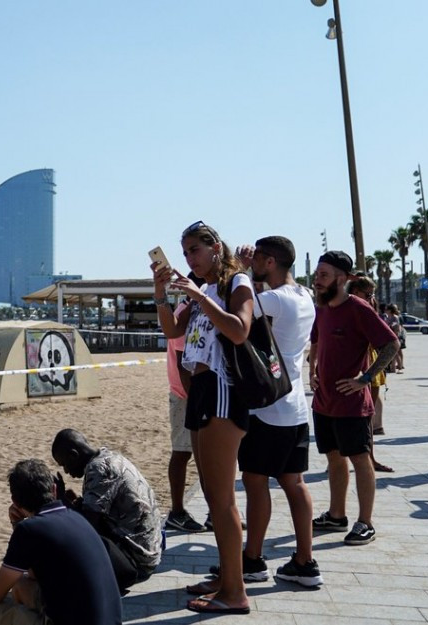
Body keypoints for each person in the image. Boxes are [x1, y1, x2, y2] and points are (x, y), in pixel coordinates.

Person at [154, 220, 252, 615]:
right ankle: (227, 579)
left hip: (222, 388)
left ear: (215, 247)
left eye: (194, 249)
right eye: (184, 252)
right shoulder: (203, 290)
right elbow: (172, 329)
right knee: (213, 494)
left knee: (222, 498)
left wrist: (200, 295)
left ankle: (236, 591)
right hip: (199, 388)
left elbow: (240, 330)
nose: (188, 258)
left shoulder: (235, 282)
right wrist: (162, 291)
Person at [212, 236, 322, 588]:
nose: (253, 259)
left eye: (259, 257)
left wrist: (241, 271)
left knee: (255, 482)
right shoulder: (304, 296)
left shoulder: (271, 299)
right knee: (294, 482)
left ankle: (252, 559)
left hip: (267, 407)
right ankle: (305, 561)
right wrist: (251, 271)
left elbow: (236, 313)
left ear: (270, 261)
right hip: (295, 408)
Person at [0, 459, 122, 625]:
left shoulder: (29, 530)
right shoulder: (77, 518)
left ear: (16, 502)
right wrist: (17, 526)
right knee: (20, 584)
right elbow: (34, 576)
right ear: (54, 490)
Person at [308, 251, 399, 546]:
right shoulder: (320, 308)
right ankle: (336, 515)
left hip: (352, 404)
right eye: (317, 274)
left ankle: (365, 522)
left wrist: (365, 378)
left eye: (323, 275)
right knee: (333, 458)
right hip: (324, 401)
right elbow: (316, 342)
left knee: (360, 460)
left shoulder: (359, 308)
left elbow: (391, 344)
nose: (317, 280)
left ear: (342, 279)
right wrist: (312, 372)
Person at [51, 428, 163, 593]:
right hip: (149, 552)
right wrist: (73, 503)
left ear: (74, 455)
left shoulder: (99, 469)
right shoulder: (110, 456)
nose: (67, 471)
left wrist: (61, 500)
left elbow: (87, 526)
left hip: (137, 561)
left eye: (65, 465)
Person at [162, 276, 207, 534]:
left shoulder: (196, 309)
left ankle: (213, 510)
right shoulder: (185, 312)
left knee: (201, 456)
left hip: (193, 393)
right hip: (184, 394)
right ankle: (177, 511)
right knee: (182, 452)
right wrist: (195, 401)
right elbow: (182, 364)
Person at [347, 277, 395, 473]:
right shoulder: (344, 308)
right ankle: (339, 459)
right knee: (346, 417)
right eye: (367, 294)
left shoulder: (368, 310)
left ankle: (370, 458)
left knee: (368, 416)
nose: (371, 298)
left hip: (371, 363)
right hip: (353, 365)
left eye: (373, 295)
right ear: (355, 291)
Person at [383, 304, 405, 373]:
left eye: (386, 309)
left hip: (395, 336)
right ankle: (393, 368)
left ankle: (399, 366)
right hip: (389, 336)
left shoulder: (395, 317)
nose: (385, 310)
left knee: (395, 353)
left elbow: (397, 326)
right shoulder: (387, 317)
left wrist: (390, 325)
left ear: (390, 310)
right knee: (393, 353)